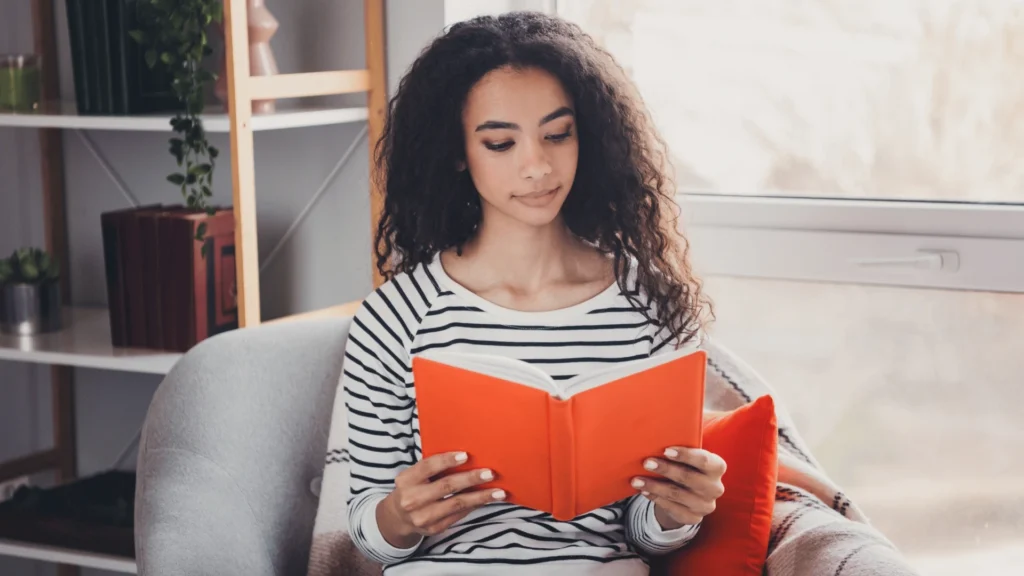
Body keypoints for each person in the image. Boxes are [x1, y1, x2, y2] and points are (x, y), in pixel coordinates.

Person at [343, 11, 726, 575]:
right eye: (500, 143)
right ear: (457, 153)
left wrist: (676, 513)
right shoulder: (394, 318)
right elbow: (369, 534)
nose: (537, 166)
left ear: (587, 135)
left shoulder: (649, 304)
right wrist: (401, 514)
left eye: (557, 134)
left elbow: (646, 534)